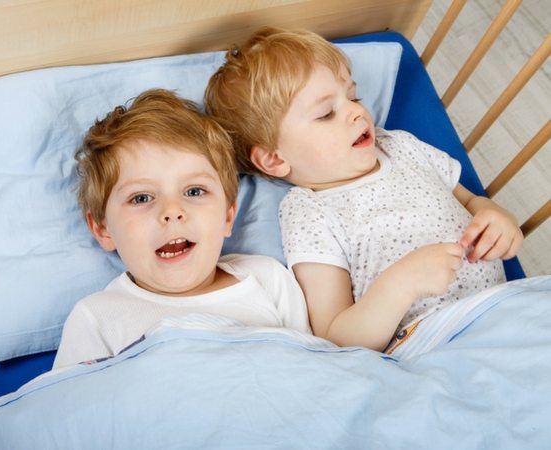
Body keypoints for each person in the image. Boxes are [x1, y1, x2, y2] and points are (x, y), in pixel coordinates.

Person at [204, 27, 523, 353]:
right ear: (274, 158)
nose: (357, 111)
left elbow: (468, 199)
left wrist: (494, 214)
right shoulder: (310, 211)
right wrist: (402, 284)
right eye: (327, 114)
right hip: (433, 342)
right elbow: (337, 336)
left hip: (506, 308)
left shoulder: (399, 145)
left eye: (353, 96)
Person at [53, 89, 310, 369]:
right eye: (141, 198)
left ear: (227, 216)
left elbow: (318, 374)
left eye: (195, 191)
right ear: (103, 229)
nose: (172, 211)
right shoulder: (97, 317)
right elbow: (71, 406)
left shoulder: (268, 279)